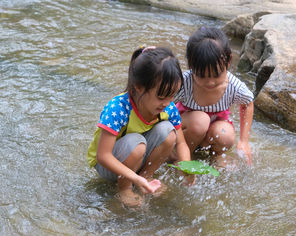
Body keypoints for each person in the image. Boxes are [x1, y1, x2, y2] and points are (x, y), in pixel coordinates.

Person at [87, 46, 191, 207]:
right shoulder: (118, 108)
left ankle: (146, 176)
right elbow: (103, 156)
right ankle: (125, 188)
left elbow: (182, 143)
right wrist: (133, 178)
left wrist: (187, 169)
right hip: (108, 165)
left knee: (169, 132)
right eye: (161, 97)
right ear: (139, 87)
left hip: (137, 155)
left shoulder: (168, 108)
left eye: (172, 96)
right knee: (137, 143)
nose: (167, 103)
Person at [174, 26, 254, 166]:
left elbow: (248, 103)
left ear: (228, 62)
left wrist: (244, 141)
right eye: (202, 76)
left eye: (216, 75)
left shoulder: (233, 86)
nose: (210, 82)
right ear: (191, 66)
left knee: (225, 135)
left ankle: (215, 155)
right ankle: (183, 155)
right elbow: (162, 103)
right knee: (200, 121)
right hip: (187, 130)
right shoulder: (184, 83)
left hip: (210, 133)